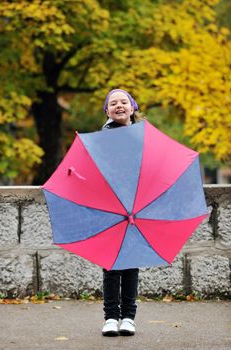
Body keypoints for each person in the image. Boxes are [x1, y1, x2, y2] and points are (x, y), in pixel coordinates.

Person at [101, 89, 144, 337]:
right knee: (111, 265)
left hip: (136, 208)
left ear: (132, 107)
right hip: (110, 208)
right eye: (113, 103)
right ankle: (110, 317)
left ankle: (128, 317)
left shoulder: (143, 137)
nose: (119, 105)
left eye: (124, 102)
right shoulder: (103, 138)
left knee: (130, 264)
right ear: (107, 111)